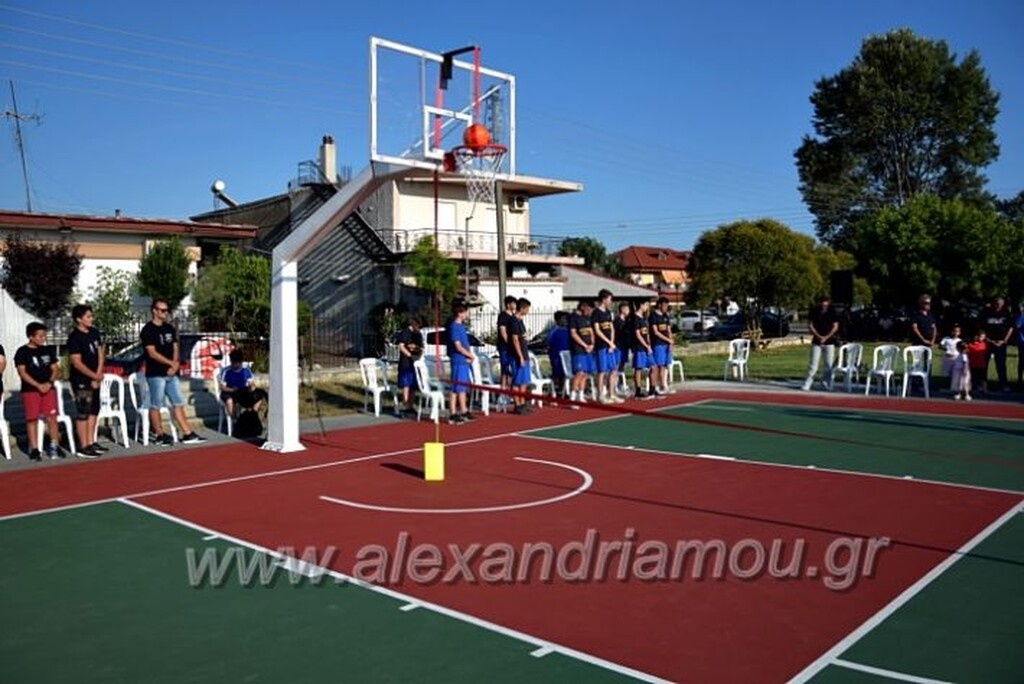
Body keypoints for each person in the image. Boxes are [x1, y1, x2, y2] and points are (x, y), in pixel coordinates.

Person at [140, 299, 207, 445]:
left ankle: (187, 433)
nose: (165, 313)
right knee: (155, 404)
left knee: (178, 402)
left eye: (167, 310)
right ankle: (159, 434)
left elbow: (175, 347)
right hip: (156, 373)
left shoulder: (169, 328)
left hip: (172, 373)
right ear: (154, 311)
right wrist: (170, 363)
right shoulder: (148, 330)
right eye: (162, 310)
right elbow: (152, 353)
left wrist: (175, 364)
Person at [15, 322, 63, 460]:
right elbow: (22, 373)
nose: (43, 339)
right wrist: (37, 385)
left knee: (52, 418)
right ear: (31, 336)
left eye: (44, 336)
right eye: (40, 336)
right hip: (30, 390)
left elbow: (55, 369)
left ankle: (54, 445)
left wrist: (49, 383)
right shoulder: (22, 352)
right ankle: (34, 448)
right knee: (32, 419)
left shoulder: (47, 350)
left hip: (48, 389)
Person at [67, 304, 107, 458]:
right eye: (88, 317)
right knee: (84, 411)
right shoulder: (75, 338)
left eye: (91, 316)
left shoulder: (94, 333)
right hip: (81, 380)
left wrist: (98, 374)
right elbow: (77, 362)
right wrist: (92, 376)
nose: (91, 319)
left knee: (94, 409)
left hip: (94, 377)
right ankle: (83, 445)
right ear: (79, 319)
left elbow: (100, 353)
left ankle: (91, 441)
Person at [802, 295, 839, 391]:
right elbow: (810, 325)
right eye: (822, 302)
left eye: (826, 302)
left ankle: (825, 383)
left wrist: (826, 337)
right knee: (813, 364)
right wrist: (818, 336)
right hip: (816, 341)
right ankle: (808, 382)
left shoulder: (832, 311)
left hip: (829, 341)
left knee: (828, 365)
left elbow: (835, 326)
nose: (824, 304)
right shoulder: (814, 311)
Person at [591, 289, 622, 403]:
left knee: (613, 369)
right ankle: (601, 395)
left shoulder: (608, 313)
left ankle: (611, 394)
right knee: (602, 371)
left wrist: (612, 343)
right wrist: (608, 342)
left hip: (610, 347)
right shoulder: (596, 313)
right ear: (604, 299)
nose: (611, 301)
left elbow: (612, 328)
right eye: (609, 299)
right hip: (601, 346)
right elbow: (597, 330)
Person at [446, 304, 475, 424]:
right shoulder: (454, 327)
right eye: (465, 312)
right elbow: (458, 346)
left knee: (462, 387)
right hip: (458, 360)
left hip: (464, 361)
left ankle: (464, 410)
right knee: (456, 387)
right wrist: (469, 355)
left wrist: (468, 356)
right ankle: (452, 412)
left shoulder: (462, 327)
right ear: (459, 313)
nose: (467, 314)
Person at [218, 349, 267, 418]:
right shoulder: (226, 371)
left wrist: (251, 387)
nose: (233, 365)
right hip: (229, 392)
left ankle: (253, 416)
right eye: (232, 362)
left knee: (258, 397)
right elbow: (222, 387)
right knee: (229, 401)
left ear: (240, 362)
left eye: (235, 363)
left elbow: (251, 383)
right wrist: (231, 389)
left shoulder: (246, 370)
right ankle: (235, 421)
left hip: (242, 392)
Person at [981, 296, 1013, 392]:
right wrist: (987, 339)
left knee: (1001, 364)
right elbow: (981, 327)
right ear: (993, 303)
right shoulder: (987, 312)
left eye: (1000, 303)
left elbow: (1011, 327)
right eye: (996, 303)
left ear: (1003, 303)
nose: (998, 305)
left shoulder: (1006, 313)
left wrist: (1004, 340)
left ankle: (1003, 384)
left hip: (1001, 343)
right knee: (984, 364)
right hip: (988, 342)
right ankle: (983, 384)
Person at [568, 300, 596, 404]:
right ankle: (573, 397)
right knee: (579, 373)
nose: (589, 311)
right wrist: (584, 345)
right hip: (578, 350)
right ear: (583, 306)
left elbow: (591, 332)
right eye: (588, 309)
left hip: (588, 350)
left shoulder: (587, 318)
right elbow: (573, 334)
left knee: (585, 373)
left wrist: (592, 344)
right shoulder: (573, 318)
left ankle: (580, 395)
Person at [395, 317, 424, 415]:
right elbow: (401, 346)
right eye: (418, 325)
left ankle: (411, 405)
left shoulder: (418, 334)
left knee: (413, 385)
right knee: (406, 385)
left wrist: (418, 354)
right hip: (406, 363)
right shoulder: (405, 332)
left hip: (415, 363)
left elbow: (421, 347)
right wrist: (410, 355)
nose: (419, 328)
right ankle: (406, 405)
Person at [509, 298, 532, 415]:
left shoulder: (520, 321)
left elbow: (521, 337)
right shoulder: (514, 321)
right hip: (518, 356)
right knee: (518, 382)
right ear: (522, 308)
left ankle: (522, 402)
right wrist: (520, 357)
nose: (528, 311)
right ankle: (517, 404)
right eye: (527, 308)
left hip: (524, 353)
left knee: (524, 382)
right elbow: (515, 340)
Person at [649, 296, 673, 396]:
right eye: (664, 305)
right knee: (658, 365)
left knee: (664, 365)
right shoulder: (653, 316)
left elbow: (668, 330)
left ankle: (664, 385)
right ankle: (657, 386)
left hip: (666, 345)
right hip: (658, 344)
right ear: (659, 305)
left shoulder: (666, 316)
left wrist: (671, 342)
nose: (666, 308)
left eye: (667, 306)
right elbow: (655, 332)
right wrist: (667, 339)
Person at [630, 300, 654, 399]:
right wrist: (646, 346)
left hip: (647, 347)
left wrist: (649, 345)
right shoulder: (635, 318)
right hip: (639, 347)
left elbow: (646, 333)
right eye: (646, 305)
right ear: (641, 305)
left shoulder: (644, 318)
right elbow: (638, 334)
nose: (648, 307)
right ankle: (638, 391)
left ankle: (652, 390)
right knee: (638, 368)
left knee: (653, 367)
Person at [495, 295, 517, 400]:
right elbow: (503, 331)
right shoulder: (503, 316)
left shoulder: (514, 316)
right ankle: (502, 391)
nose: (515, 305)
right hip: (504, 347)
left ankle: (512, 392)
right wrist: (509, 343)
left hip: (513, 349)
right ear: (508, 304)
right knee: (505, 369)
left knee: (513, 370)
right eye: (513, 303)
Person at [546, 311, 570, 397]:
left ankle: (563, 390)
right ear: (558, 320)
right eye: (564, 319)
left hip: (567, 356)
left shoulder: (568, 330)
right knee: (557, 373)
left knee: (565, 374)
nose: (566, 321)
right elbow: (549, 343)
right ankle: (554, 390)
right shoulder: (554, 331)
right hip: (556, 356)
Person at [613, 301, 633, 384]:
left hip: (625, 346)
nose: (628, 311)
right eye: (627, 309)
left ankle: (620, 383)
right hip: (618, 346)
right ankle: (614, 384)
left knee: (622, 365)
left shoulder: (628, 320)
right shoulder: (617, 321)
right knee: (616, 366)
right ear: (622, 309)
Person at [966, 329, 988, 396]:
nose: (982, 338)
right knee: (973, 378)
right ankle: (972, 390)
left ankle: (984, 390)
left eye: (983, 337)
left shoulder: (984, 344)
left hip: (982, 365)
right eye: (981, 337)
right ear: (976, 336)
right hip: (973, 365)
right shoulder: (970, 345)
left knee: (983, 379)